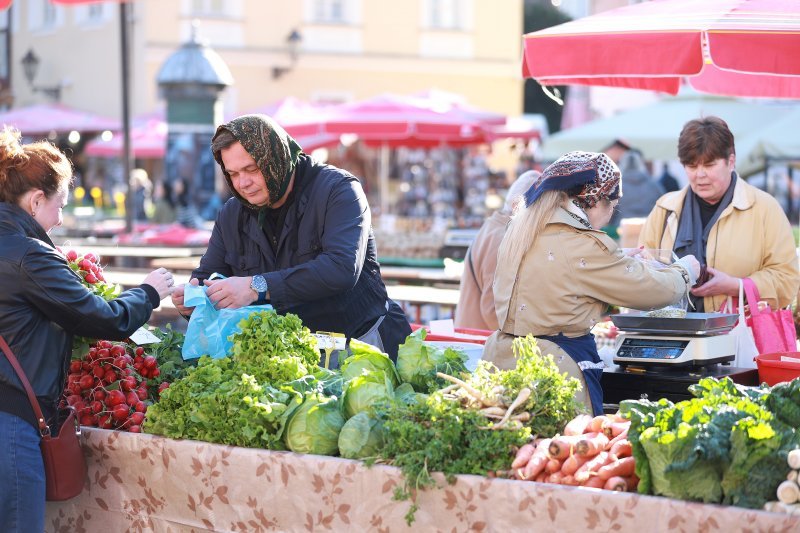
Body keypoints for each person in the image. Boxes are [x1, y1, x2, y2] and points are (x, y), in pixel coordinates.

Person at [0, 128, 174, 532]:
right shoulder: (29, 255)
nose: (59, 220)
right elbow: (103, 319)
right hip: (10, 425)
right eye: (59, 205)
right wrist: (148, 292)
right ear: (36, 199)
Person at [171, 114, 411, 360]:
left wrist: (256, 286)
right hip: (289, 356)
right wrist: (193, 301)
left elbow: (341, 268)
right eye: (232, 174)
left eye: (251, 169)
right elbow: (206, 276)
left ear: (275, 156)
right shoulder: (232, 214)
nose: (243, 183)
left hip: (361, 345)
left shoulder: (339, 190)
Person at [482, 151, 699, 415]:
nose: (610, 215)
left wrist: (614, 261)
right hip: (553, 374)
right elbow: (655, 290)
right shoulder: (581, 243)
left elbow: (560, 280)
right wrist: (685, 270)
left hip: (501, 365)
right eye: (613, 205)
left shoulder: (521, 229)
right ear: (595, 201)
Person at [639, 116, 799, 313]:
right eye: (692, 166)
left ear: (730, 161)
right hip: (674, 336)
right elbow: (642, 274)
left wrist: (736, 285)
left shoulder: (765, 208)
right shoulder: (664, 209)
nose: (700, 174)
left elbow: (787, 279)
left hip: (741, 336)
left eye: (709, 165)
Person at [454, 170, 540, 330]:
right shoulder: (502, 237)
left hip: (472, 337)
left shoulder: (494, 227)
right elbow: (493, 311)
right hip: (480, 343)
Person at [613, 148, 664, 221]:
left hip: (623, 226)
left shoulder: (616, 186)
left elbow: (610, 210)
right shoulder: (653, 185)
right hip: (647, 225)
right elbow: (663, 204)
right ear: (641, 163)